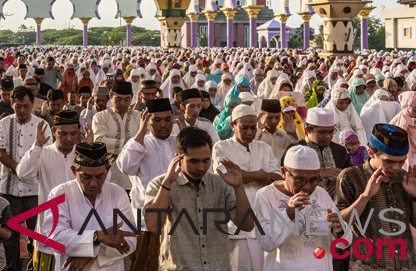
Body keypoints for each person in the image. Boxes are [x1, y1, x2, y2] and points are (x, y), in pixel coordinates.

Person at [144, 126, 253, 270]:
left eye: (206, 161)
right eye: (194, 162)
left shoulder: (221, 184)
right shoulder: (160, 184)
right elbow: (153, 225)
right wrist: (168, 183)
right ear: (178, 157)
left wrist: (239, 188)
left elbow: (247, 225)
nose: (201, 167)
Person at [253, 145, 350, 270]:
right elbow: (265, 243)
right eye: (300, 180)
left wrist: (340, 229)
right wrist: (287, 214)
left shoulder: (321, 194)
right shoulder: (266, 196)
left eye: (314, 180)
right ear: (283, 172)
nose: (308, 187)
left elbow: (343, 244)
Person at [43, 141, 137, 270]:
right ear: (74, 170)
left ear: (108, 170)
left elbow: (129, 241)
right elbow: (55, 237)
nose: (93, 184)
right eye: (86, 177)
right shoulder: (59, 194)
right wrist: (96, 237)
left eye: (100, 177)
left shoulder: (118, 193)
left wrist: (91, 252)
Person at [336, 123, 416, 270]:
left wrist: (415, 197)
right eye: (389, 161)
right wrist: (365, 196)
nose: (397, 168)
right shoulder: (350, 177)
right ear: (371, 152)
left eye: (401, 161)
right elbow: (340, 224)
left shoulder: (404, 179)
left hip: (406, 265)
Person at [212, 104, 281, 271]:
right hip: (235, 223)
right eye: (244, 128)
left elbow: (278, 178)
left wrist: (244, 176)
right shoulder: (221, 147)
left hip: (263, 220)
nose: (250, 132)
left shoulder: (264, 148)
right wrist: (259, 175)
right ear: (233, 125)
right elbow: (224, 176)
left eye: (253, 128)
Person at [0, 85, 52, 270]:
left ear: (32, 104)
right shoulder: (4, 123)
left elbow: (48, 154)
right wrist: (18, 168)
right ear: (12, 103)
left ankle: (35, 267)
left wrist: (28, 169)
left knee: (36, 233)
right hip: (10, 188)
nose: (22, 110)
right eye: (18, 106)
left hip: (35, 189)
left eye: (26, 106)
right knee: (11, 236)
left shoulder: (42, 125)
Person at [115, 98, 176, 271]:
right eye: (157, 120)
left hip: (177, 220)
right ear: (147, 121)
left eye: (167, 119)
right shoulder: (141, 143)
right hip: (146, 222)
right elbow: (125, 166)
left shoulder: (177, 142)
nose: (163, 125)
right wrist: (141, 132)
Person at [16, 110, 80, 271]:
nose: (69, 139)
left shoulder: (82, 154)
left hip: (79, 229)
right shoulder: (43, 153)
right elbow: (22, 173)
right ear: (54, 131)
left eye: (73, 133)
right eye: (63, 133)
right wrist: (37, 145)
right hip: (48, 229)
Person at [286, 107, 351, 197]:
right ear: (308, 130)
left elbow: (350, 176)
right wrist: (319, 173)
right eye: (322, 132)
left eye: (331, 131)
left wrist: (339, 183)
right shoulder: (294, 150)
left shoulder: (340, 151)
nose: (328, 136)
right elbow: (287, 178)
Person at [92, 80, 140, 192]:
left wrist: (114, 148)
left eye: (126, 99)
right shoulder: (100, 117)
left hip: (134, 179)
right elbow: (100, 142)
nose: (122, 103)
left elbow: (145, 143)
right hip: (109, 178)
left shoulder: (139, 117)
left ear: (132, 98)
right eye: (118, 99)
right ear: (110, 96)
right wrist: (133, 146)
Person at [256, 99, 298, 164]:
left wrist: (292, 133)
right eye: (269, 118)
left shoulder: (285, 136)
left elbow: (298, 151)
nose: (274, 121)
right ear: (261, 116)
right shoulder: (256, 135)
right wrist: (258, 131)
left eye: (277, 117)